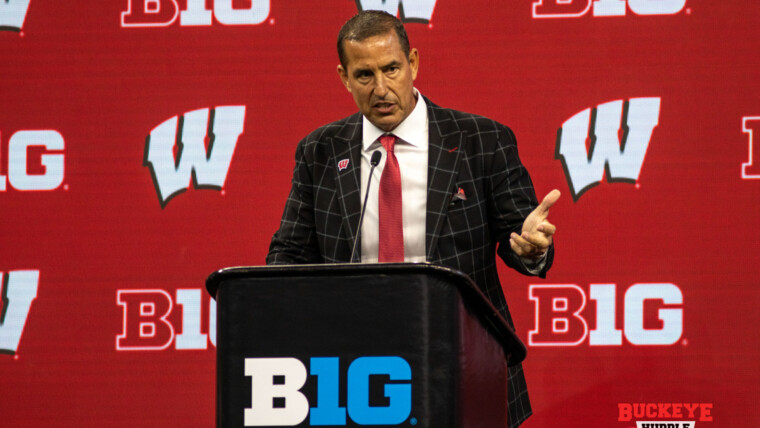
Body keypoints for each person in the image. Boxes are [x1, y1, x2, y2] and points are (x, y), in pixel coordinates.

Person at [267, 10, 560, 427]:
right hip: (351, 369)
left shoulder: (480, 140)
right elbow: (289, 252)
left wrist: (530, 248)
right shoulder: (321, 151)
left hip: (461, 360)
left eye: (391, 69)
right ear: (343, 77)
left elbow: (522, 239)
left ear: (414, 63)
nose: (381, 88)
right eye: (365, 75)